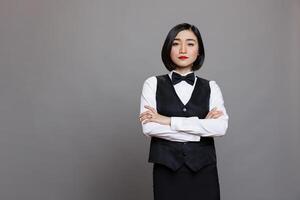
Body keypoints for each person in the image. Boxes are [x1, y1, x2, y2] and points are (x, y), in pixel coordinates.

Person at [139, 23, 229, 200]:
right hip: (166, 172)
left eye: (190, 43)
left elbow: (220, 128)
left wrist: (167, 120)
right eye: (175, 43)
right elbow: (149, 128)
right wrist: (201, 129)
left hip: (204, 172)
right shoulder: (152, 83)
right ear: (168, 49)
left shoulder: (211, 87)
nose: (182, 49)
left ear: (199, 51)